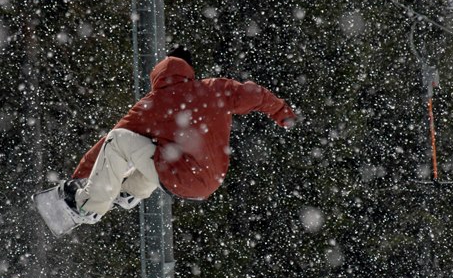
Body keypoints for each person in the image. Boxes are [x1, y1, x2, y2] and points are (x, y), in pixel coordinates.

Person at [60, 45, 297, 225]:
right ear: (189, 71)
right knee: (160, 148)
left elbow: (107, 142)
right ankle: (129, 191)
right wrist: (282, 112)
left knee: (118, 140)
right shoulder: (216, 89)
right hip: (212, 180)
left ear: (157, 75)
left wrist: (80, 177)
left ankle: (88, 206)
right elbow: (255, 94)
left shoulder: (152, 104)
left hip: (179, 177)